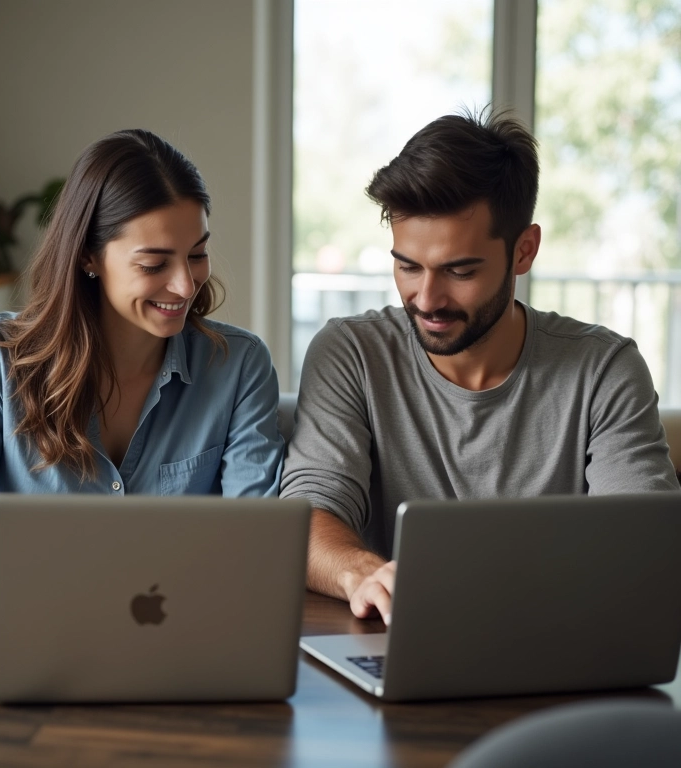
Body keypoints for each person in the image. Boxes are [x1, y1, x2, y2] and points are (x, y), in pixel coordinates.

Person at [280, 108, 680, 625]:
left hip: (558, 648)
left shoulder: (604, 368)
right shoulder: (351, 352)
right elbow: (312, 513)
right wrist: (361, 572)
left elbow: (643, 543)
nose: (426, 298)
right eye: (407, 266)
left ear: (524, 251)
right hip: (396, 641)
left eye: (459, 270)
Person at [0, 129, 283, 572]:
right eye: (154, 264)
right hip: (38, 629)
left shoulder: (239, 366)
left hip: (186, 628)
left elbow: (258, 539)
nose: (185, 285)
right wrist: (40, 540)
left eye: (197, 255)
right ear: (88, 256)